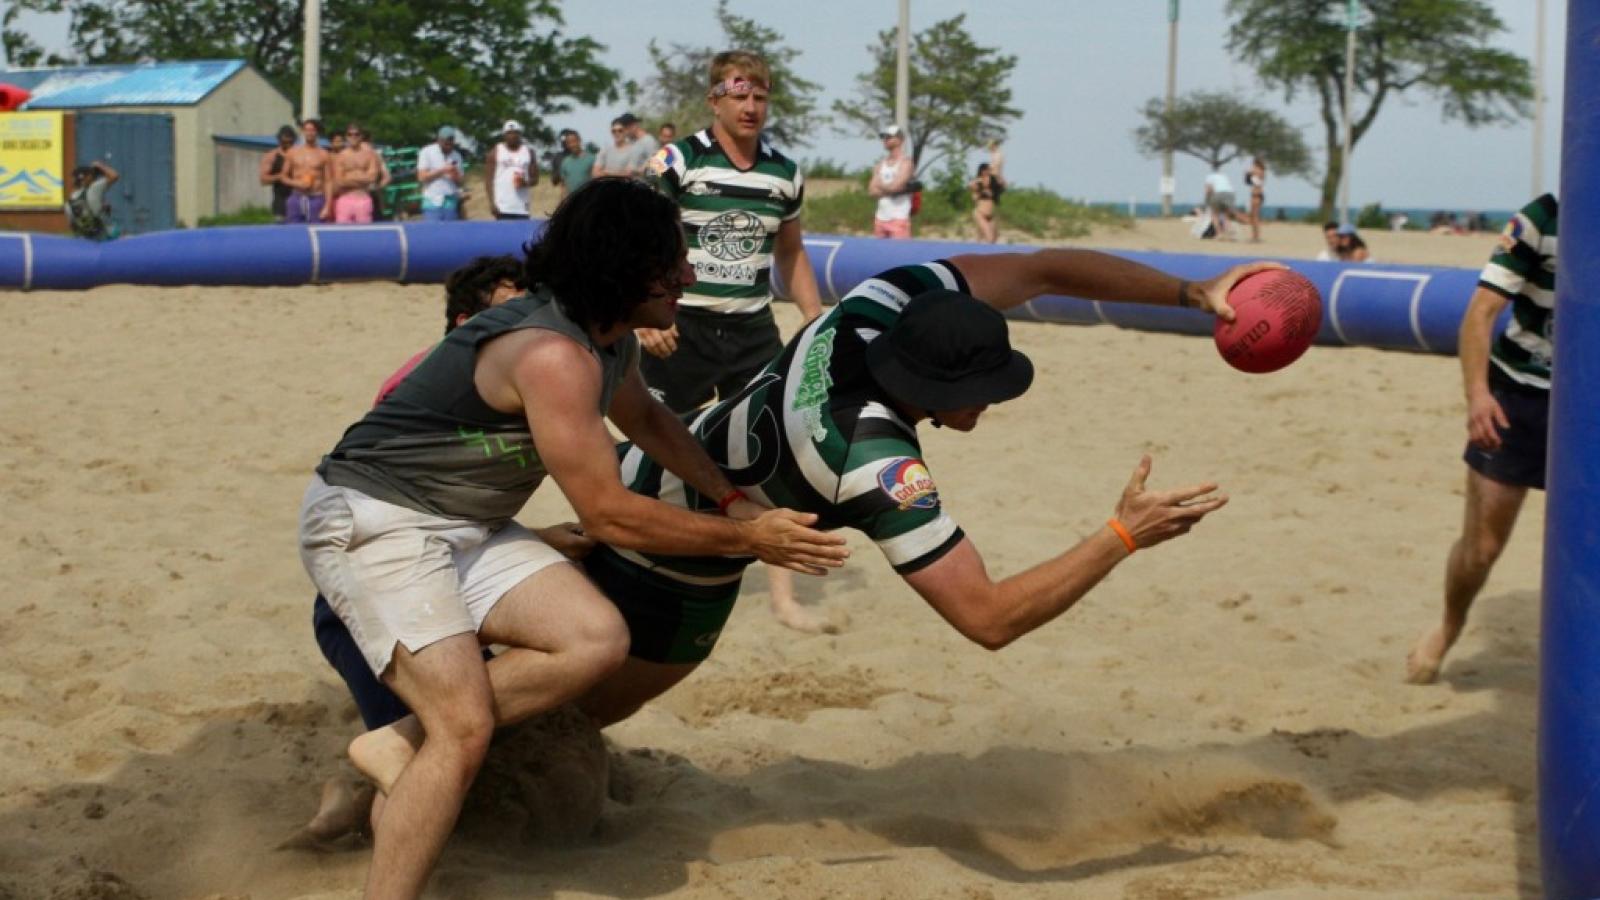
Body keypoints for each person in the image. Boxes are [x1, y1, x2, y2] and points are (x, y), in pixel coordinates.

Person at [306, 246, 1274, 843]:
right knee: (531, 756)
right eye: (982, 394)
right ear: (935, 395)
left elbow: (1050, 267)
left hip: (658, 479)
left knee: (516, 713)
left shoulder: (880, 305)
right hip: (673, 566)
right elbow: (987, 619)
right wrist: (1121, 535)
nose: (991, 406)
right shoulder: (871, 460)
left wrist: (1193, 291)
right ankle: (382, 762)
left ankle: (390, 749)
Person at [297, 178, 847, 899]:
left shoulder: (604, 339)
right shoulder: (552, 353)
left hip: (464, 524)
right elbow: (611, 515)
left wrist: (733, 502)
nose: (690, 276)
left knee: (595, 639)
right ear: (624, 269)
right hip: (375, 519)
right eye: (673, 263)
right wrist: (749, 540)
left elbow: (647, 420)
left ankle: (395, 741)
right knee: (462, 732)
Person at [639, 49, 832, 634]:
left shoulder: (784, 173)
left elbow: (791, 253)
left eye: (760, 96)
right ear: (714, 100)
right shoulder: (677, 160)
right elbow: (637, 232)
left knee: (769, 449)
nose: (751, 106)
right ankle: (643, 569)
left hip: (751, 330)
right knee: (655, 448)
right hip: (682, 326)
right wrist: (647, 313)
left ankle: (783, 599)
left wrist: (815, 317)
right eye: (739, 94)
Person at [1406, 194, 1558, 685]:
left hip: (1588, 403)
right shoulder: (1542, 219)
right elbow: (1481, 311)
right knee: (1482, 548)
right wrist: (1477, 395)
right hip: (1520, 396)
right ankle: (1450, 625)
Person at [329, 123, 382, 224]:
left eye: (356, 134)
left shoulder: (370, 155)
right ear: (346, 137)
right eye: (350, 134)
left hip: (363, 199)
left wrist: (349, 178)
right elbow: (339, 181)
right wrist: (361, 179)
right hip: (345, 199)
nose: (353, 137)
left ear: (361, 136)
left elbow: (372, 178)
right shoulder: (341, 156)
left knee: (364, 231)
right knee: (342, 231)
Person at [868, 124, 915, 239]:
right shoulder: (880, 165)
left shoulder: (905, 163)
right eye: (884, 137)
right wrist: (890, 190)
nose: (885, 140)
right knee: (879, 250)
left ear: (899, 140)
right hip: (880, 219)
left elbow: (895, 186)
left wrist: (880, 184)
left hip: (899, 218)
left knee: (899, 250)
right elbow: (872, 191)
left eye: (889, 137)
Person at [485, 119, 536, 220]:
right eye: (509, 133)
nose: (512, 136)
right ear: (504, 135)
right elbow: (488, 180)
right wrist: (491, 203)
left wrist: (525, 182)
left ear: (519, 134)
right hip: (502, 207)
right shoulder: (496, 151)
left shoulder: (528, 152)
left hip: (522, 207)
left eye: (515, 133)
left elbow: (535, 178)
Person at [283, 118, 330, 225]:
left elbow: (328, 181)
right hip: (296, 197)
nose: (309, 133)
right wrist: (297, 183)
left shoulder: (324, 154)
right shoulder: (292, 152)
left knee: (316, 229)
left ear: (317, 132)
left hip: (316, 198)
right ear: (303, 131)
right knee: (293, 230)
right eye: (307, 130)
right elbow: (283, 176)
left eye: (312, 130)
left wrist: (327, 205)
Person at [416, 126, 465, 221]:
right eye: (446, 143)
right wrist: (442, 170)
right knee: (433, 229)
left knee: (450, 229)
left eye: (451, 143)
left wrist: (455, 174)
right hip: (432, 201)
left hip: (450, 201)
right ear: (439, 140)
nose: (449, 146)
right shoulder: (426, 152)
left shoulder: (457, 155)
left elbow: (461, 181)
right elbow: (421, 177)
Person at [65, 160, 119, 241]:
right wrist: (100, 165)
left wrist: (101, 207)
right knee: (116, 231)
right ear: (86, 177)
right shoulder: (95, 187)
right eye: (91, 174)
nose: (94, 177)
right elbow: (114, 175)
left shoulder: (70, 200)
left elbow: (72, 225)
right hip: (101, 237)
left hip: (84, 240)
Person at [259, 125, 296, 224]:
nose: (288, 144)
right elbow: (263, 179)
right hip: (281, 202)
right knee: (281, 228)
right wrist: (280, 176)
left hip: (297, 200)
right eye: (284, 142)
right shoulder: (272, 156)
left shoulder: (299, 154)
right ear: (279, 140)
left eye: (290, 142)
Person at [968, 161, 1004, 244]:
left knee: (993, 240)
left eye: (990, 170)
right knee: (989, 238)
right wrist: (980, 189)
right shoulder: (978, 183)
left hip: (992, 215)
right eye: (987, 170)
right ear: (982, 171)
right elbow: (971, 188)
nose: (989, 172)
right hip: (980, 213)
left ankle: (976, 248)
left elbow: (1003, 184)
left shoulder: (994, 183)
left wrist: (999, 173)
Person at [555, 129, 596, 199]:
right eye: (569, 143)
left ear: (579, 141)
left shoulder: (592, 159)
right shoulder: (565, 162)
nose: (572, 145)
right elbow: (563, 186)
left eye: (574, 141)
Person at [619, 112, 659, 177]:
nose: (624, 133)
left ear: (633, 126)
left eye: (625, 129)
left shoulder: (649, 141)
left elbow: (656, 168)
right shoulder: (630, 142)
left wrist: (636, 171)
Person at [1203, 168, 1235, 240]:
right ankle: (1230, 234)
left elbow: (1208, 190)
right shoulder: (1224, 176)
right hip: (1230, 194)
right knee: (1226, 216)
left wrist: (1207, 201)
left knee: (1215, 214)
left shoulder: (1209, 176)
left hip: (1218, 193)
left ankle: (1219, 234)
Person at [1244, 157, 1266, 243]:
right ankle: (1255, 236)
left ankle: (1255, 237)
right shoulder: (1262, 171)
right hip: (1258, 195)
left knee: (1254, 217)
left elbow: (1248, 173)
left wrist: (1248, 173)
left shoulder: (1257, 170)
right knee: (1254, 217)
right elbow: (1250, 181)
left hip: (1256, 196)